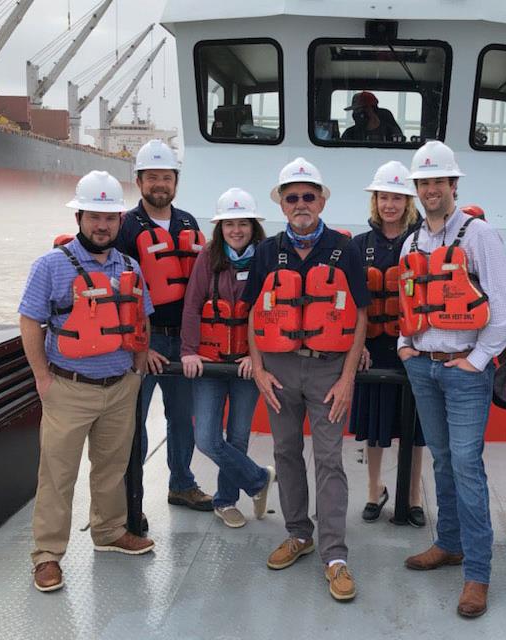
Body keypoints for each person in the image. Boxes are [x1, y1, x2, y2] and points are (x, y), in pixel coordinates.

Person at [397, 141, 506, 618]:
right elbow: (410, 304)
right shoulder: (412, 242)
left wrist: (479, 357)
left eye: (437, 182)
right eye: (422, 183)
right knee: (443, 459)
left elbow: (504, 307)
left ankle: (478, 575)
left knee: (467, 464)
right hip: (423, 365)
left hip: (465, 369)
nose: (430, 190)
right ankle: (449, 543)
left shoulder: (478, 235)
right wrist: (405, 347)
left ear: (453, 184)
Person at [19, 171, 155, 593]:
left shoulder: (130, 266)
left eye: (111, 218)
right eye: (95, 217)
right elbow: (29, 320)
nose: (103, 226)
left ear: (120, 222)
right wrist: (42, 376)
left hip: (119, 387)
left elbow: (142, 320)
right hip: (69, 387)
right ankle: (47, 555)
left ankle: (110, 531)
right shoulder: (50, 266)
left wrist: (136, 369)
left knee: (112, 469)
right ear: (79, 217)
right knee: (57, 475)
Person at [242, 157, 370, 602]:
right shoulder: (266, 250)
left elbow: (361, 316)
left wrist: (348, 376)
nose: (300, 204)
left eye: (308, 196)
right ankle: (299, 533)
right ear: (281, 203)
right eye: (291, 197)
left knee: (330, 458)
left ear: (322, 199)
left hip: (328, 369)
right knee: (285, 451)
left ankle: (335, 556)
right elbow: (252, 311)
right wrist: (257, 368)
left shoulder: (344, 248)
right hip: (278, 369)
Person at [115, 139, 213, 511]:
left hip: (184, 341)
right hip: (146, 342)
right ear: (139, 181)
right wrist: (142, 346)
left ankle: (182, 484)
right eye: (152, 177)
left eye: (166, 177)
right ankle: (128, 494)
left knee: (182, 419)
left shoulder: (188, 222)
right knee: (133, 421)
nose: (160, 184)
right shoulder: (126, 227)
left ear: (176, 181)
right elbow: (122, 293)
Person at [179, 188, 276, 528]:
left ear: (253, 226)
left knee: (237, 437)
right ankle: (258, 479)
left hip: (246, 367)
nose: (236, 230)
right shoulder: (208, 258)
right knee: (207, 438)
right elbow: (192, 306)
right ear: (220, 228)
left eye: (243, 223)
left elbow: (271, 312)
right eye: (229, 224)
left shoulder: (267, 258)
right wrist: (189, 351)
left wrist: (256, 355)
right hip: (209, 363)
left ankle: (226, 501)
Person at [350, 161, 427, 526]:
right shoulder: (358, 246)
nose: (390, 205)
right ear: (375, 201)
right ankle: (373, 489)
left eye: (397, 197)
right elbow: (349, 302)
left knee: (415, 429)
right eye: (384, 197)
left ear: (407, 201)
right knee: (376, 427)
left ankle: (412, 497)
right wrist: (357, 345)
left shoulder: (423, 240)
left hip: (413, 346)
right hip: (375, 348)